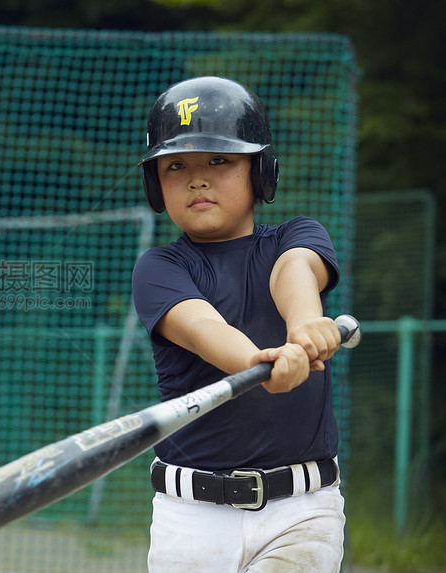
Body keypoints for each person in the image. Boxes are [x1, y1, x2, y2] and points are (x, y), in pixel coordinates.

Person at [131, 76, 346, 572]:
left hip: (302, 512)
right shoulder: (159, 268)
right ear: (155, 182)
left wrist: (305, 326)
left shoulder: (298, 235)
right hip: (191, 519)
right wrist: (258, 362)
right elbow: (205, 329)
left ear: (261, 172)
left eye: (220, 161)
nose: (197, 179)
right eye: (176, 165)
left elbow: (294, 272)